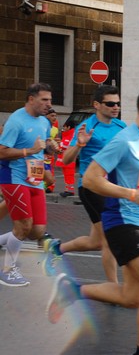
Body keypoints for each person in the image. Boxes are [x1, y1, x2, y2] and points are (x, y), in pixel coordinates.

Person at [46, 82, 139, 355]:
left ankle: (72, 290)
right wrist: (130, 194)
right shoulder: (124, 140)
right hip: (122, 221)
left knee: (132, 297)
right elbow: (93, 179)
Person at [42, 85, 125, 282]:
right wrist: (79, 145)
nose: (116, 107)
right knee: (109, 238)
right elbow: (67, 160)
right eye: (110, 103)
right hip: (91, 187)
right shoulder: (86, 127)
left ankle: (57, 248)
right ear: (96, 104)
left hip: (112, 188)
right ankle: (113, 287)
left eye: (118, 103)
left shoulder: (121, 127)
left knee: (96, 241)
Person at [0, 82, 58, 286]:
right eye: (44, 100)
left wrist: (50, 149)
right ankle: (7, 271)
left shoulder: (44, 122)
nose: (49, 104)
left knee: (37, 231)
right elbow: (2, 151)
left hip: (34, 180)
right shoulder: (16, 121)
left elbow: (40, 149)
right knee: (23, 226)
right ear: (31, 99)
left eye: (50, 100)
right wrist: (29, 151)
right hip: (13, 178)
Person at [56, 119, 77, 197]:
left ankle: (70, 190)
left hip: (69, 160)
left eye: (64, 126)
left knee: (69, 175)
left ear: (68, 127)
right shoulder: (68, 134)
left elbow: (66, 145)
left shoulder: (71, 135)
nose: (63, 128)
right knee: (67, 175)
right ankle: (67, 189)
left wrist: (60, 145)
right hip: (66, 159)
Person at [43, 108, 60, 193]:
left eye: (55, 116)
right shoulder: (42, 126)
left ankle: (39, 189)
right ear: (46, 116)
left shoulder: (55, 129)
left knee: (50, 181)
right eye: (52, 116)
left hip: (49, 157)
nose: (54, 118)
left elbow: (55, 141)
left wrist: (57, 148)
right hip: (40, 158)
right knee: (49, 180)